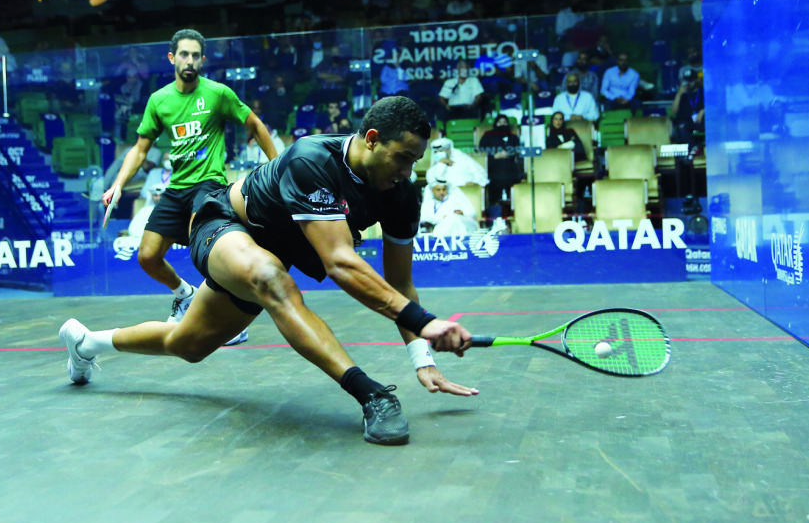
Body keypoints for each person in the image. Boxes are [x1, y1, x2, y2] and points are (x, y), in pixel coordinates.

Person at [60, 96, 478, 446]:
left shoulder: (401, 194)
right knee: (273, 279)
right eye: (402, 158)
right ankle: (371, 395)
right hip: (222, 224)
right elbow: (339, 263)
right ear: (371, 141)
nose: (408, 172)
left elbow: (399, 282)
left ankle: (86, 343)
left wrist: (421, 356)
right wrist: (425, 323)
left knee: (187, 344)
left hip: (266, 254)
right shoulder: (314, 159)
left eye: (415, 161)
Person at [101, 29, 279, 342]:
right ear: (172, 58)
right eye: (184, 54)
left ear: (202, 60)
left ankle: (232, 323)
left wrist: (278, 165)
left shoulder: (218, 93)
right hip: (177, 188)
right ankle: (185, 295)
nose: (190, 60)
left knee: (208, 253)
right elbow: (141, 148)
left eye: (196, 55)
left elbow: (254, 124)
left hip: (209, 185)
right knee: (147, 257)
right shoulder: (159, 100)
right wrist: (117, 184)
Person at [477, 114, 523, 210]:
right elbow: (481, 151)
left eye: (504, 122)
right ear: (496, 123)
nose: (502, 124)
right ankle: (495, 209)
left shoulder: (513, 137)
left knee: (509, 172)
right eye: (500, 122)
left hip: (510, 167)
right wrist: (494, 156)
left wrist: (509, 153)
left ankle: (513, 208)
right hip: (493, 166)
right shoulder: (488, 135)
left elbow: (518, 150)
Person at [424, 137, 489, 189]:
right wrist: (441, 165)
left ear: (449, 149)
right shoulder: (435, 166)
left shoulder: (463, 159)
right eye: (436, 152)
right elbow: (431, 181)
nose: (438, 153)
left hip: (465, 191)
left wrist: (474, 183)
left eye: (441, 150)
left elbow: (481, 174)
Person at [437, 59, 486, 124]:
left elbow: (478, 96)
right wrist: (446, 106)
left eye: (465, 68)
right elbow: (442, 97)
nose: (463, 70)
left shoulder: (474, 81)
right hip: (453, 108)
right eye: (461, 68)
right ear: (457, 70)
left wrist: (472, 105)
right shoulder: (449, 82)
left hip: (468, 107)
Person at [669, 68, 704, 144]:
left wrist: (703, 111)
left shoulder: (703, 92)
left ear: (697, 80)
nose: (688, 83)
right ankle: (691, 150)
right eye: (686, 80)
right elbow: (673, 111)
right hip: (687, 123)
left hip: (701, 122)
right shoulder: (682, 95)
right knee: (681, 126)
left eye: (691, 80)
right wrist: (679, 94)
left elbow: (715, 107)